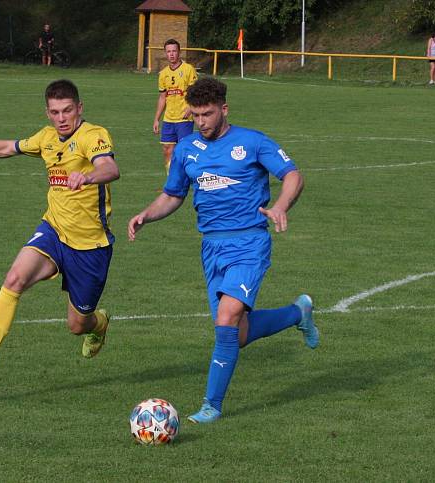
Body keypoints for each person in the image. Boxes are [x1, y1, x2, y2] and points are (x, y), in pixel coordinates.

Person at [128, 77, 319, 424]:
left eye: (207, 114)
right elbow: (173, 195)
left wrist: (281, 206)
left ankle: (211, 406)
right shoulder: (186, 148)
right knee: (237, 333)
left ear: (224, 110)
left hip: (249, 242)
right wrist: (147, 214)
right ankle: (297, 314)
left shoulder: (252, 142)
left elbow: (293, 175)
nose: (200, 122)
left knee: (228, 317)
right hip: (211, 247)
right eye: (195, 115)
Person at [0, 79, 120, 384]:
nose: (61, 118)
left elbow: (110, 168)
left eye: (67, 110)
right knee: (14, 278)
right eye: (55, 112)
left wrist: (87, 176)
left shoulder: (93, 135)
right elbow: (6, 148)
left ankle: (98, 324)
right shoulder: (45, 138)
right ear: (47, 113)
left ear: (79, 108)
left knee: (77, 324)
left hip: (89, 246)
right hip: (54, 230)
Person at [153, 39, 197, 174]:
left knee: (183, 150)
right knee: (167, 149)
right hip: (168, 118)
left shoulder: (188, 69)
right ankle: (171, 180)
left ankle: (186, 177)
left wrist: (190, 107)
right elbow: (162, 97)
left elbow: (195, 92)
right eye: (168, 51)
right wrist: (156, 119)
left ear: (179, 52)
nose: (171, 54)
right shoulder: (163, 74)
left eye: (174, 51)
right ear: (165, 53)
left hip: (184, 117)